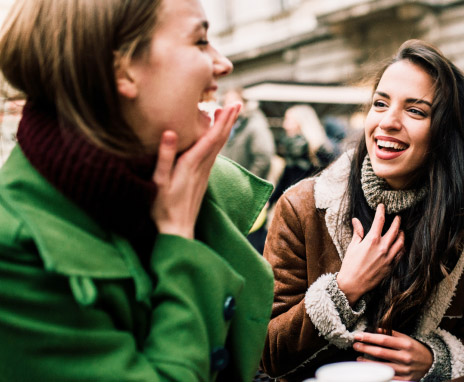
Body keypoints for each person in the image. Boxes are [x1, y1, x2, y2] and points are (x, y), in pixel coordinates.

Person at [0, 0, 274, 380]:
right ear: (121, 69)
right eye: (199, 41)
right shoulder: (13, 248)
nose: (222, 63)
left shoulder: (202, 185)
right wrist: (180, 241)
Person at [261, 39, 464, 381]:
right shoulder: (302, 207)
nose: (388, 121)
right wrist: (343, 290)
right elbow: (267, 353)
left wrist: (433, 360)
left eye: (415, 110)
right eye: (380, 103)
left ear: (445, 134)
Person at [221, 88, 276, 253]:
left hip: (245, 192)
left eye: (233, 102)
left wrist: (246, 181)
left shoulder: (254, 125)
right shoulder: (234, 125)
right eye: (225, 102)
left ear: (243, 104)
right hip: (231, 191)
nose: (228, 106)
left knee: (248, 241)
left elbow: (264, 157)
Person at [269, 104, 335, 205]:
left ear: (302, 122)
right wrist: (270, 201)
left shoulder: (319, 149)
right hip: (293, 202)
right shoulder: (291, 147)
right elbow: (286, 178)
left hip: (310, 205)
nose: (285, 125)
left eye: (289, 120)